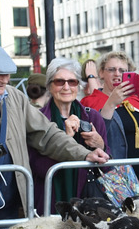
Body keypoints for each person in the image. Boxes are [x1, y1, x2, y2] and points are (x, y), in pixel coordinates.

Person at [0, 43, 108, 219]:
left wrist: (84, 154)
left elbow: (47, 135)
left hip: (13, 208)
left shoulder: (15, 98)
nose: (5, 80)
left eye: (7, 74)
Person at [29, 58, 110, 215]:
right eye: (59, 82)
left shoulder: (92, 116)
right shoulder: (39, 119)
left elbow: (108, 166)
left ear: (78, 86)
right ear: (49, 86)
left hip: (88, 199)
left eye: (72, 82)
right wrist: (66, 138)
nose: (66, 87)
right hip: (50, 199)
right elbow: (37, 167)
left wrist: (101, 145)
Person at [81, 51, 139, 192]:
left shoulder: (136, 101)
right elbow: (95, 138)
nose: (117, 74)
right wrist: (111, 103)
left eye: (122, 70)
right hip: (111, 177)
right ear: (101, 73)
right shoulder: (90, 102)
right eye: (111, 69)